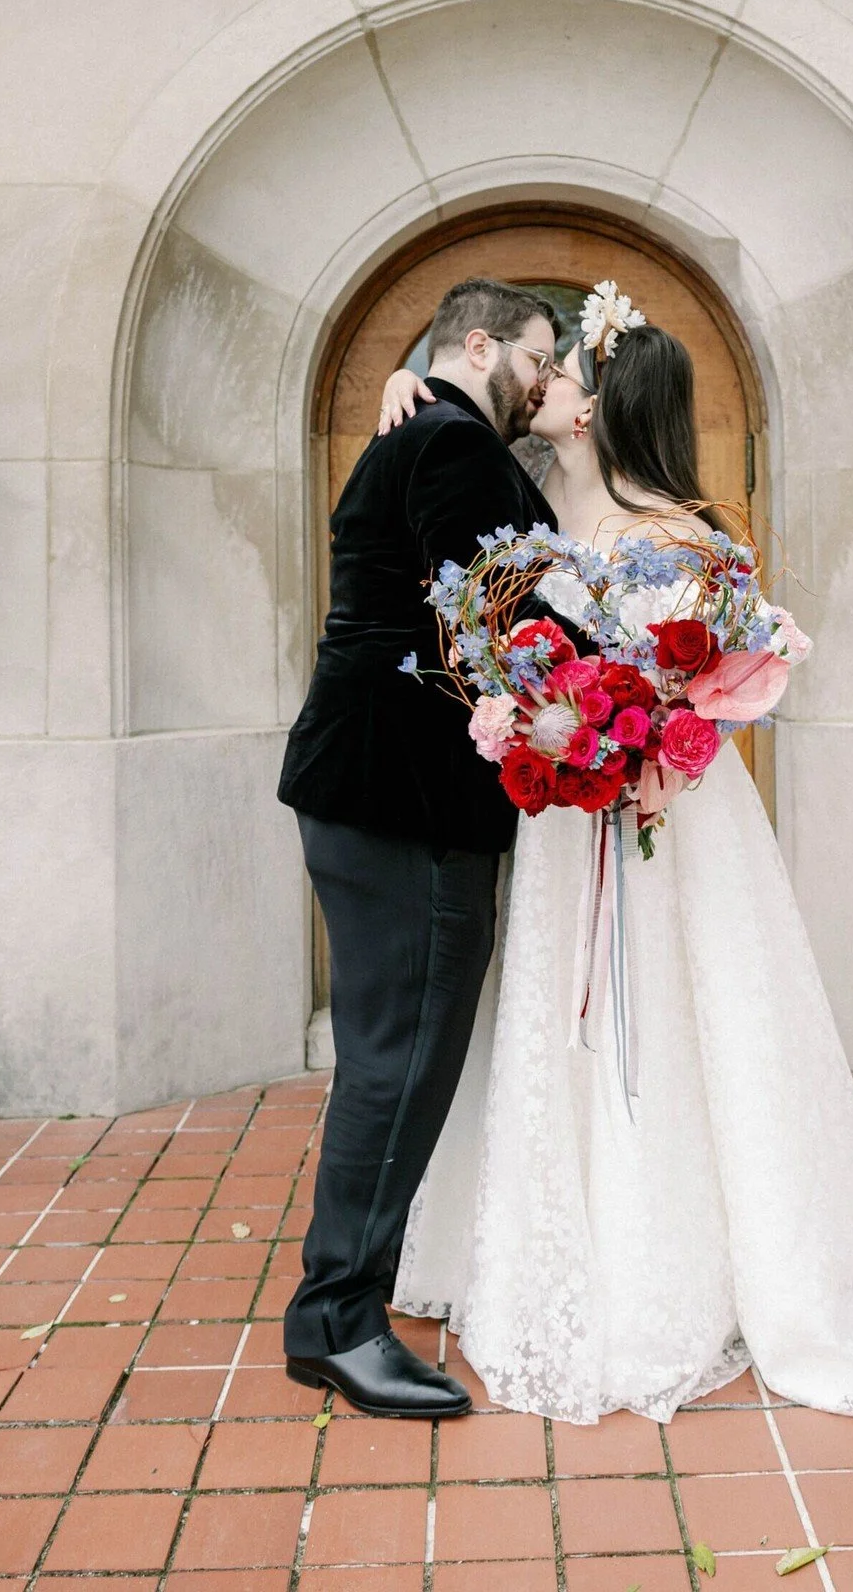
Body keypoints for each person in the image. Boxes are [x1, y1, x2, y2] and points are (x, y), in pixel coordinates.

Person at [373, 291, 853, 1423]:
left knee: (687, 1018)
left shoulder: (684, 539)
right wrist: (408, 381)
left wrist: (641, 747)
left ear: (595, 411)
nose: (542, 386)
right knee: (556, 1021)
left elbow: (717, 689)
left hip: (658, 820)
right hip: (556, 822)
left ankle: (675, 1268)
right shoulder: (526, 503)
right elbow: (454, 397)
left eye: (565, 375)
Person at [276, 278, 567, 1419]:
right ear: (479, 344)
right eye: (539, 358)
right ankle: (338, 1323)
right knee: (399, 1062)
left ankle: (346, 1302)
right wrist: (626, 684)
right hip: (406, 800)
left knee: (390, 1055)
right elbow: (502, 630)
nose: (548, 382)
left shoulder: (426, 432)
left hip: (373, 788)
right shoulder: (448, 446)